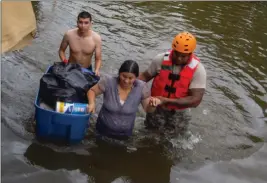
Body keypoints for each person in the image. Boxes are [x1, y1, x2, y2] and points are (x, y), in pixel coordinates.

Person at [138, 32, 207, 136]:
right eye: (176, 54)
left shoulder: (198, 70)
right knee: (149, 134)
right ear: (173, 50)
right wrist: (125, 85)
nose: (179, 58)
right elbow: (144, 77)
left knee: (176, 140)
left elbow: (195, 100)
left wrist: (166, 100)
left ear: (190, 53)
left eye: (183, 56)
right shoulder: (160, 59)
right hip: (156, 108)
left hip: (178, 113)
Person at [87, 60, 162, 140]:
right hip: (102, 130)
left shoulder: (142, 88)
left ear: (136, 77)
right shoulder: (108, 82)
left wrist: (152, 105)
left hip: (125, 135)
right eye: (124, 76)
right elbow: (92, 91)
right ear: (119, 73)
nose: (126, 81)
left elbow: (148, 109)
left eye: (130, 78)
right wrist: (91, 103)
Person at [58, 11, 102, 76]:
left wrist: (97, 70)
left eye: (86, 23)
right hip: (71, 67)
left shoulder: (96, 38)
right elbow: (61, 50)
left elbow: (98, 59)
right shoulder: (69, 35)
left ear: (91, 24)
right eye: (80, 22)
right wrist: (64, 61)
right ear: (77, 23)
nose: (83, 26)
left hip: (87, 69)